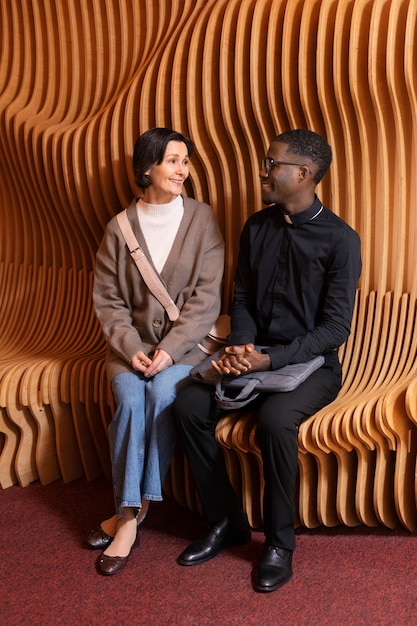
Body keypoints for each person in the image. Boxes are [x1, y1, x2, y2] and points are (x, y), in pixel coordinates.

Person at [172, 129, 361, 592]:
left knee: (275, 423)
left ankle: (279, 544)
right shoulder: (256, 226)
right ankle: (226, 521)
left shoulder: (341, 240)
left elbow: (335, 329)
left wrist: (270, 361)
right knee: (188, 405)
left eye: (272, 163)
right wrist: (240, 346)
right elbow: (241, 298)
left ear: (303, 173)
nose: (263, 170)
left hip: (312, 366)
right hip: (251, 355)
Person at [89, 127, 224, 575]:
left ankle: (129, 516)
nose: (181, 170)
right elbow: (108, 301)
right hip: (129, 350)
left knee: (164, 395)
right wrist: (131, 350)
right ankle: (131, 513)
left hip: (184, 350)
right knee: (129, 399)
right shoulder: (119, 228)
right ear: (146, 168)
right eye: (172, 160)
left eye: (185, 161)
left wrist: (168, 351)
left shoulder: (202, 219)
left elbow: (207, 299)